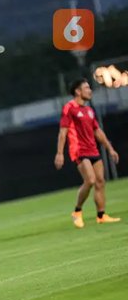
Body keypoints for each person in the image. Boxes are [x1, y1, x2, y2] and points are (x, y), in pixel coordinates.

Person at [54, 78, 121, 228]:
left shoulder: (89, 110)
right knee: (90, 180)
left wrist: (110, 148)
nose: (90, 90)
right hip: (79, 150)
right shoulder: (69, 108)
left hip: (93, 149)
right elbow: (62, 132)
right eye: (86, 88)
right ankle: (77, 212)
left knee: (100, 182)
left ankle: (101, 215)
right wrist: (60, 153)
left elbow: (97, 131)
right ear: (78, 91)